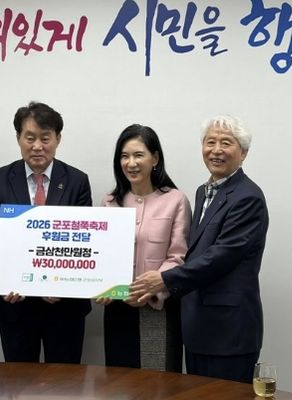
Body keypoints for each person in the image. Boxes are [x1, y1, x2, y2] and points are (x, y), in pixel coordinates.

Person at [128, 115, 269, 383]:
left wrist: (164, 279)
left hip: (228, 330)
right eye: (210, 142)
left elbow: (221, 256)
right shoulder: (203, 192)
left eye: (226, 143)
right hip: (197, 327)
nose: (216, 150)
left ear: (243, 153)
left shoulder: (248, 197)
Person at [0, 101, 92, 363]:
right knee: (18, 381)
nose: (37, 146)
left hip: (64, 306)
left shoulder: (77, 181)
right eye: (30, 138)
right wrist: (8, 281)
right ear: (18, 138)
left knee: (65, 381)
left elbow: (82, 242)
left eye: (45, 138)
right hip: (16, 305)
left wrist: (60, 285)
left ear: (58, 139)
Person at [98, 124, 191, 371]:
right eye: (124, 156)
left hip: (158, 306)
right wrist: (100, 286)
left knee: (158, 383)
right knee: (119, 383)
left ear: (155, 158)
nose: (131, 163)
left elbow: (178, 256)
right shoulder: (109, 202)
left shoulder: (176, 200)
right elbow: (102, 255)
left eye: (138, 155)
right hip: (117, 307)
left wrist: (149, 290)